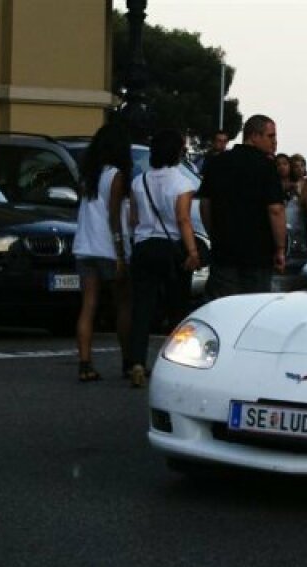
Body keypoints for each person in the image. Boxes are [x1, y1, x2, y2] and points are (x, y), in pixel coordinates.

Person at [127, 129, 201, 388]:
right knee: (177, 309)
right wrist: (192, 252)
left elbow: (133, 220)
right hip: (171, 248)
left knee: (142, 308)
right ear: (178, 153)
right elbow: (183, 220)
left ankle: (136, 361)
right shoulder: (182, 183)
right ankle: (176, 365)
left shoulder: (139, 182)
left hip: (144, 246)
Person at [197, 114, 287, 297]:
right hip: (258, 253)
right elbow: (275, 210)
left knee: (223, 308)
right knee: (252, 310)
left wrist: (213, 233)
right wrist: (280, 248)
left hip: (224, 251)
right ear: (254, 136)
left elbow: (205, 204)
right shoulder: (266, 166)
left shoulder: (217, 163)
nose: (274, 142)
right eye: (270, 136)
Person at [72, 123, 131, 382]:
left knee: (88, 306)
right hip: (107, 248)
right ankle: (128, 361)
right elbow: (114, 217)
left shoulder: (88, 175)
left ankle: (85, 363)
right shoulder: (115, 175)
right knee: (123, 304)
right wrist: (120, 253)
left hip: (84, 246)